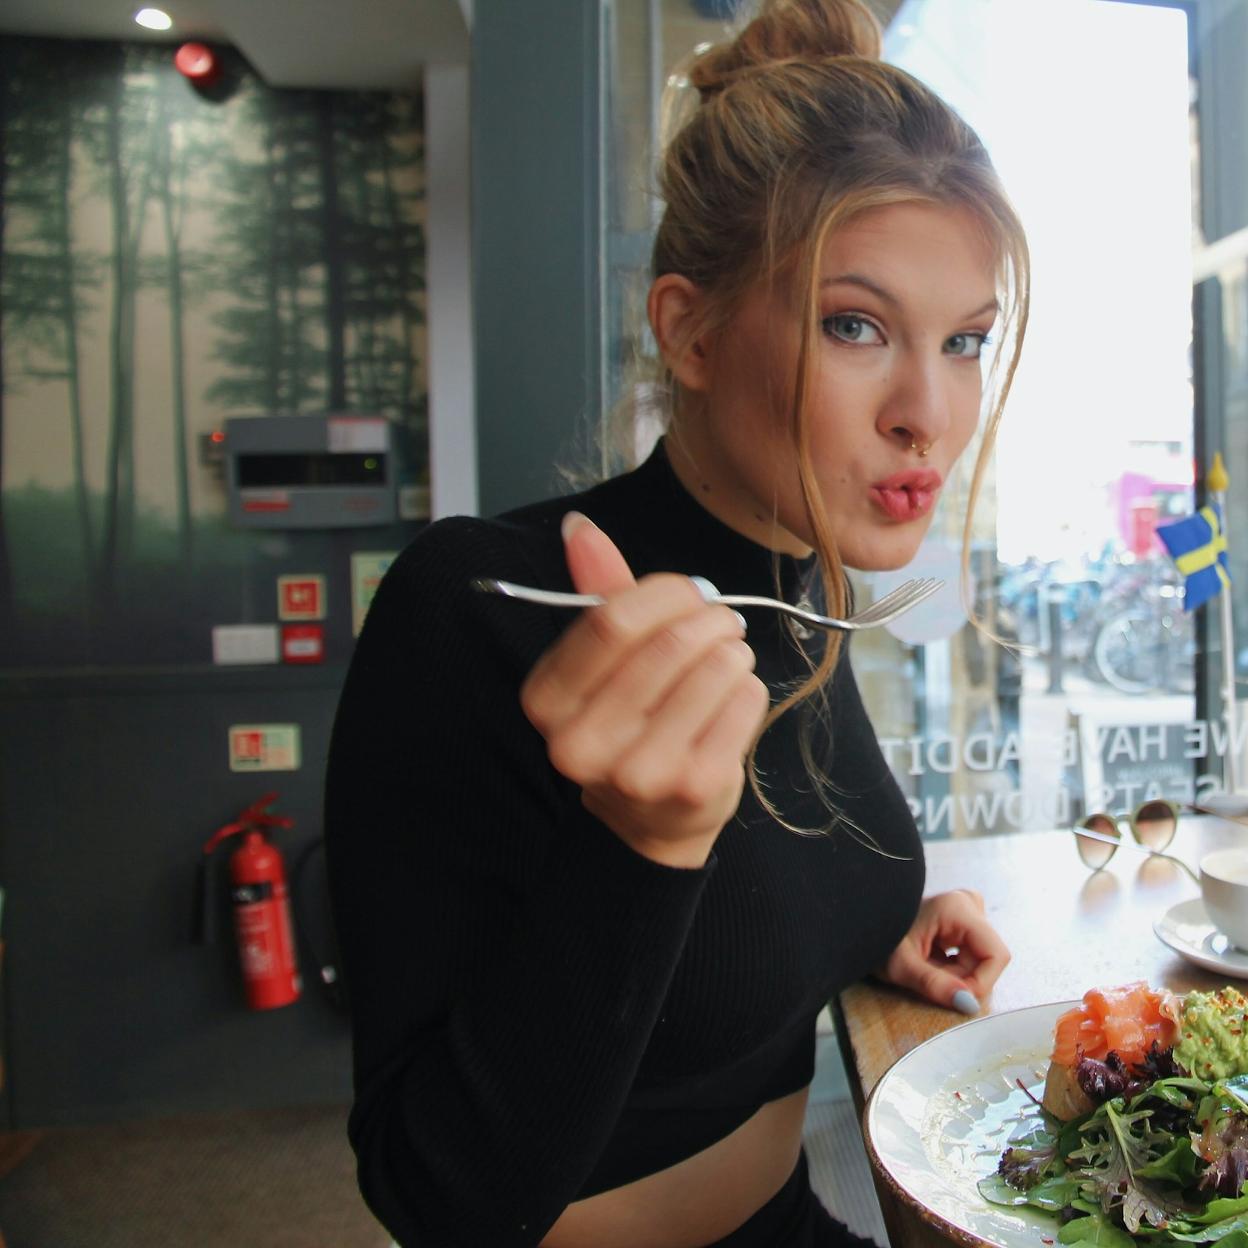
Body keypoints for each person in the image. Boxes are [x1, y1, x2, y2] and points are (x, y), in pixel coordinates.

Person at [324, 1, 1025, 1244]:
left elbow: (729, 930)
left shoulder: (803, 580)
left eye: (965, 340)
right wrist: (638, 844)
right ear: (688, 329)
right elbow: (433, 1195)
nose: (931, 411)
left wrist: (870, 928)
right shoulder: (479, 604)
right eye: (855, 325)